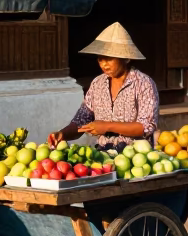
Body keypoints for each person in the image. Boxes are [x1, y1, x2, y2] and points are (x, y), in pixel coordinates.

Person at [49, 22, 159, 151]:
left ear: (126, 58)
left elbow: (146, 127)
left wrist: (107, 126)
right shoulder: (97, 83)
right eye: (100, 59)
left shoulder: (144, 83)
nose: (104, 64)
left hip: (136, 155)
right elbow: (82, 120)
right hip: (103, 155)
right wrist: (63, 134)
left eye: (109, 59)